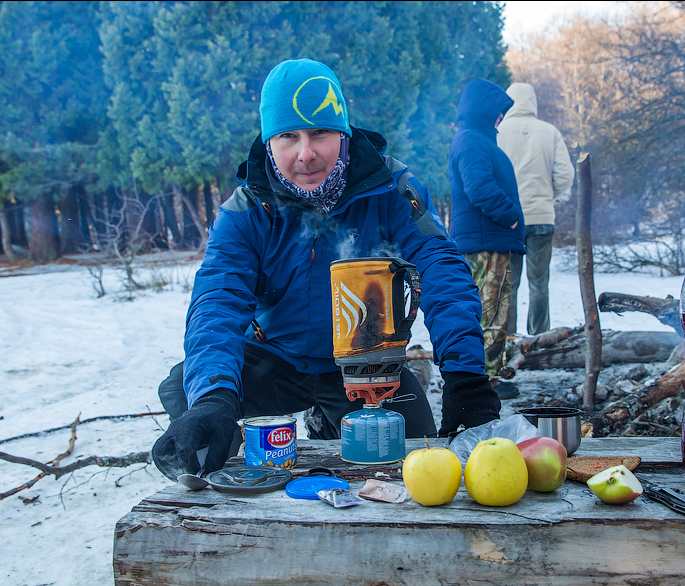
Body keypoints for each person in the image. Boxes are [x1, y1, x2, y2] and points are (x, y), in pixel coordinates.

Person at [151, 59, 502, 480]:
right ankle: (229, 441)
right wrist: (213, 399)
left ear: (343, 132)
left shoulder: (391, 188)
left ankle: (328, 419)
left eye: (320, 131)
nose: (306, 153)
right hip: (275, 359)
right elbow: (217, 301)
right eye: (287, 136)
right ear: (268, 143)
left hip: (367, 363)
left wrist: (465, 376)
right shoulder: (246, 209)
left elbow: (441, 266)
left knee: (413, 452)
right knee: (185, 388)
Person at [448, 78, 525, 400]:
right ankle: (487, 382)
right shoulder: (471, 141)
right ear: (484, 111)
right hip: (487, 243)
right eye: (497, 114)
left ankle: (485, 376)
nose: (500, 120)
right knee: (491, 314)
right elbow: (478, 188)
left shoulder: (473, 139)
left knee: (487, 312)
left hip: (487, 240)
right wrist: (511, 217)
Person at [497, 82, 575, 336]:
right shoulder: (549, 132)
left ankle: (508, 340)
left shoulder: (498, 132)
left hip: (509, 220)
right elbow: (565, 175)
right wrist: (548, 195)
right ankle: (540, 337)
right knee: (539, 283)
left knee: (510, 284)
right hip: (542, 216)